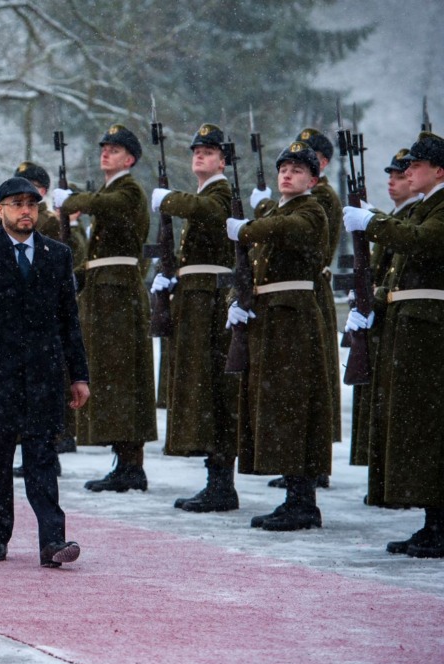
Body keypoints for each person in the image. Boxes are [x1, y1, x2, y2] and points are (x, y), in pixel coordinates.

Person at [0, 177, 89, 567]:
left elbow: (69, 321)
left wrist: (79, 375)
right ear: (0, 211)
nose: (26, 210)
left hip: (44, 374)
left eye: (32, 203)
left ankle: (52, 540)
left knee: (42, 456)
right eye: (16, 204)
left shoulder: (56, 255)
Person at [344, 130, 444, 558]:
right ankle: (431, 520)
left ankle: (439, 522)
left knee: (429, 423)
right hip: (411, 325)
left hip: (430, 326)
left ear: (439, 171)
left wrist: (374, 224)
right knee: (417, 424)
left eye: (416, 166)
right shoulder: (424, 208)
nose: (408, 172)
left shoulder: (439, 209)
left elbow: (424, 244)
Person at [225, 141, 332, 531]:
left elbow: (289, 230)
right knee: (276, 402)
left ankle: (304, 500)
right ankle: (294, 496)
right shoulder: (275, 209)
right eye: (284, 169)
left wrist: (247, 229)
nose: (287, 175)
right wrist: (238, 300)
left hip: (292, 317)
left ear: (313, 179)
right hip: (269, 317)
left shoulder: (310, 210)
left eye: (298, 170)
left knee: (294, 403)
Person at [54, 124, 158, 492]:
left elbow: (112, 207)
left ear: (129, 158)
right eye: (104, 148)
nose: (105, 154)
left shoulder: (127, 190)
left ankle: (132, 463)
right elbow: (100, 258)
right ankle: (124, 458)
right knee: (111, 376)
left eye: (114, 150)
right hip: (104, 293)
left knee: (122, 375)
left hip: (118, 296)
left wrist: (76, 200)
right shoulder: (108, 192)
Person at [150, 123, 238, 512]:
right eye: (196, 151)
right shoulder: (204, 193)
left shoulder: (220, 193)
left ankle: (222, 481)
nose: (199, 155)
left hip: (211, 300)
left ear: (223, 160)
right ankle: (215, 477)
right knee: (204, 389)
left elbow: (209, 212)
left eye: (208, 151)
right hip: (196, 297)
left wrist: (168, 200)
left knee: (214, 388)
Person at [348, 149, 421, 468]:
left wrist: (375, 297)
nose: (393, 182)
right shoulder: (395, 220)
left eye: (400, 175)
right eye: (390, 176)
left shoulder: (405, 221)